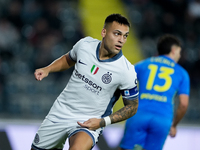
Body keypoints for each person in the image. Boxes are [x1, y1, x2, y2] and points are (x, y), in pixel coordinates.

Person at [31, 13, 139, 150]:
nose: (121, 40)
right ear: (104, 32)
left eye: (125, 36)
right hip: (60, 112)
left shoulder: (127, 71)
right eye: (117, 34)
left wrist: (102, 122)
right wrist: (48, 69)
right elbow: (68, 59)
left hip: (89, 121)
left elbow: (132, 107)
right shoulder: (85, 45)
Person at [119, 34, 190, 150]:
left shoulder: (144, 64)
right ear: (173, 50)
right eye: (179, 51)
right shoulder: (182, 73)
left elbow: (122, 80)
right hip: (163, 119)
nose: (179, 55)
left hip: (139, 114)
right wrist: (174, 125)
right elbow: (183, 104)